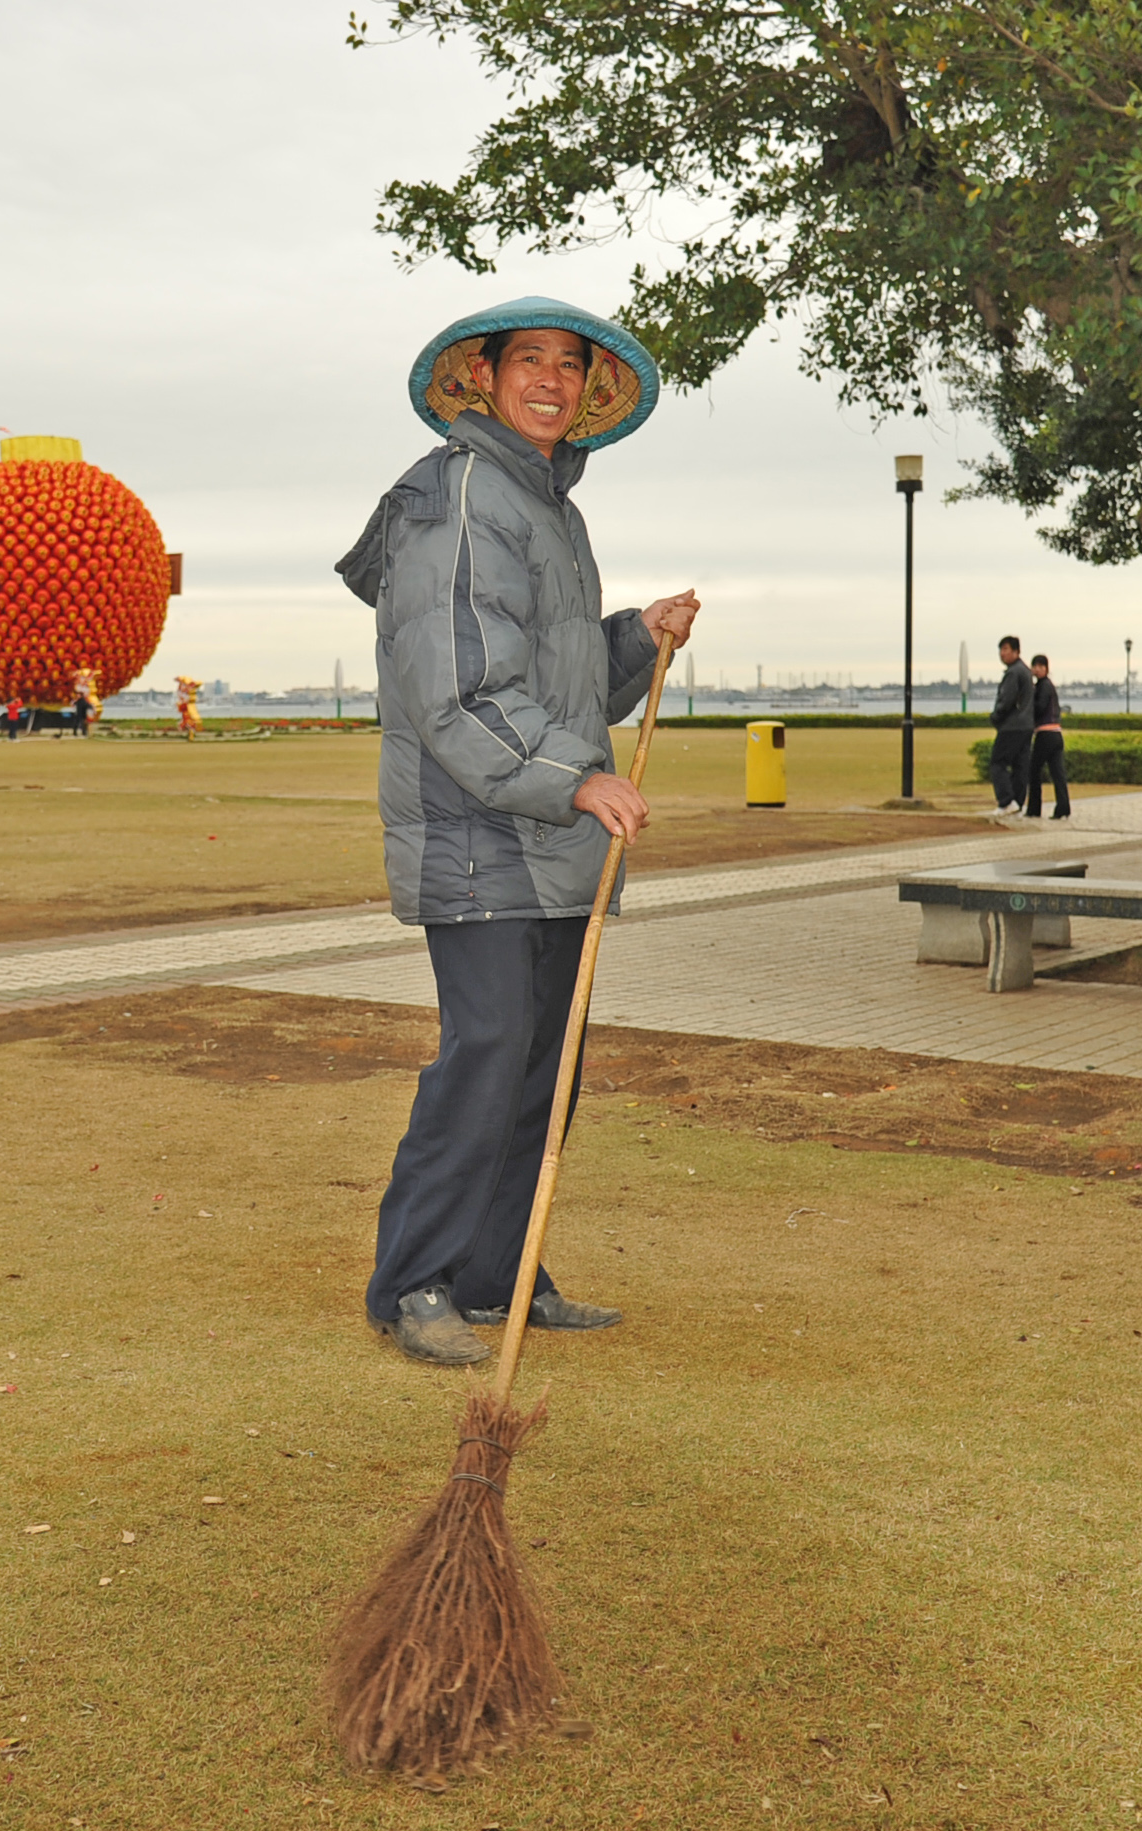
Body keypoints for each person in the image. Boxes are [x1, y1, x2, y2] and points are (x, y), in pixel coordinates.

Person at [336, 297, 700, 1367]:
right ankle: (413, 1283)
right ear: (483, 380)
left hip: (541, 842)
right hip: (473, 834)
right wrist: (578, 779)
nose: (550, 378)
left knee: (541, 1067)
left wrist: (634, 634)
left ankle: (499, 1273)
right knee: (486, 1057)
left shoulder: (543, 505)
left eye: (569, 364)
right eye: (527, 359)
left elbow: (557, 675)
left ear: (590, 391)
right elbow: (456, 684)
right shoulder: (455, 494)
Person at [987, 635, 1036, 816]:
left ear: (1016, 651)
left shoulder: (1014, 673)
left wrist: (996, 716)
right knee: (1020, 765)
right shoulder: (1025, 671)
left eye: (1006, 650)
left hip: (1012, 725)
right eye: (1001, 650)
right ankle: (1017, 802)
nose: (1002, 654)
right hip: (1026, 725)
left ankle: (1006, 801)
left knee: (997, 762)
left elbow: (1007, 700)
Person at [1021, 654, 1071, 820]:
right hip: (1057, 734)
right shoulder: (1049, 686)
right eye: (1035, 666)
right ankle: (1063, 808)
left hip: (1045, 734)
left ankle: (1034, 809)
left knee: (1034, 771)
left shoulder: (1043, 686)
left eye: (1041, 667)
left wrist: (1026, 708)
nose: (1037, 669)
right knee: (1058, 773)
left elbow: (1040, 707)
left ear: (1046, 669)